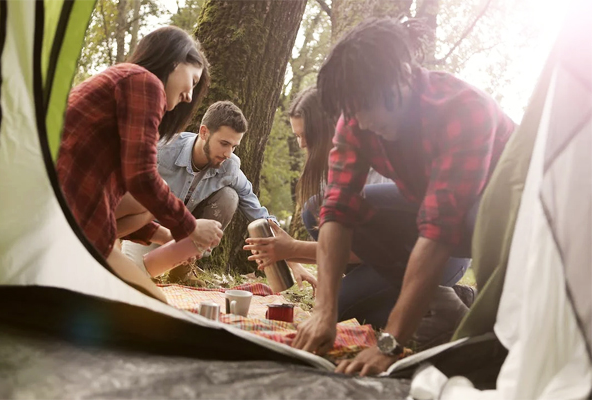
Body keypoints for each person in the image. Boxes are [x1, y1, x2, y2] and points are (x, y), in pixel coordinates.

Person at [289, 17, 516, 376]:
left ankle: (494, 322)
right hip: (430, 207)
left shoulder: (463, 109)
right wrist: (324, 311)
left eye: (368, 107)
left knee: (472, 218)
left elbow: (440, 228)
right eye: (353, 112)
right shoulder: (357, 118)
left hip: (498, 220)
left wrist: (390, 342)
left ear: (404, 77)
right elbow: (337, 209)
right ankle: (441, 305)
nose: (361, 123)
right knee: (317, 210)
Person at [244, 86, 470, 334]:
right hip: (391, 261)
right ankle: (430, 305)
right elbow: (363, 249)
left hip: (439, 253)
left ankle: (451, 297)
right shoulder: (330, 170)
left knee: (340, 307)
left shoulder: (374, 164)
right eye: (296, 136)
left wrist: (293, 249)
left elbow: (372, 247)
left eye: (306, 134)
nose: (301, 143)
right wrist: (286, 253)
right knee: (315, 212)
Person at [56, 26, 223, 301]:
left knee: (144, 204)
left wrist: (168, 236)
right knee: (157, 309)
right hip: (71, 211)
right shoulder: (145, 82)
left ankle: (94, 264)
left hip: (73, 205)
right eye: (192, 81)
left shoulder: (125, 79)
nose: (189, 97)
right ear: (174, 60)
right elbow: (142, 177)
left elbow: (119, 196)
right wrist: (190, 225)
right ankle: (87, 263)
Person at [122, 101, 316, 288]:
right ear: (204, 132)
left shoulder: (230, 167)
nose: (228, 153)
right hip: (149, 230)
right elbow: (120, 192)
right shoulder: (163, 150)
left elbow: (257, 212)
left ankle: (183, 267)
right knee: (130, 279)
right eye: (224, 143)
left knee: (229, 197)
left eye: (234, 146)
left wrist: (293, 261)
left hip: (187, 237)